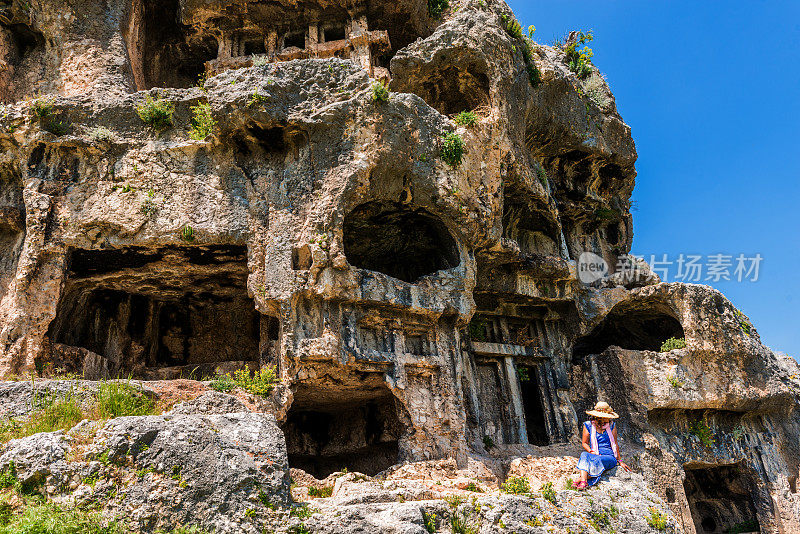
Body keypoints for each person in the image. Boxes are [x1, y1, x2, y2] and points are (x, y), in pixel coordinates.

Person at [575, 401, 630, 490]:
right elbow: (584, 443)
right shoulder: (588, 425)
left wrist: (620, 460)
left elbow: (615, 444)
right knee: (584, 454)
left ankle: (580, 479)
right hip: (594, 454)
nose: (608, 419)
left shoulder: (612, 425)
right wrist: (591, 451)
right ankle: (584, 481)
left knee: (598, 460)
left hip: (609, 457)